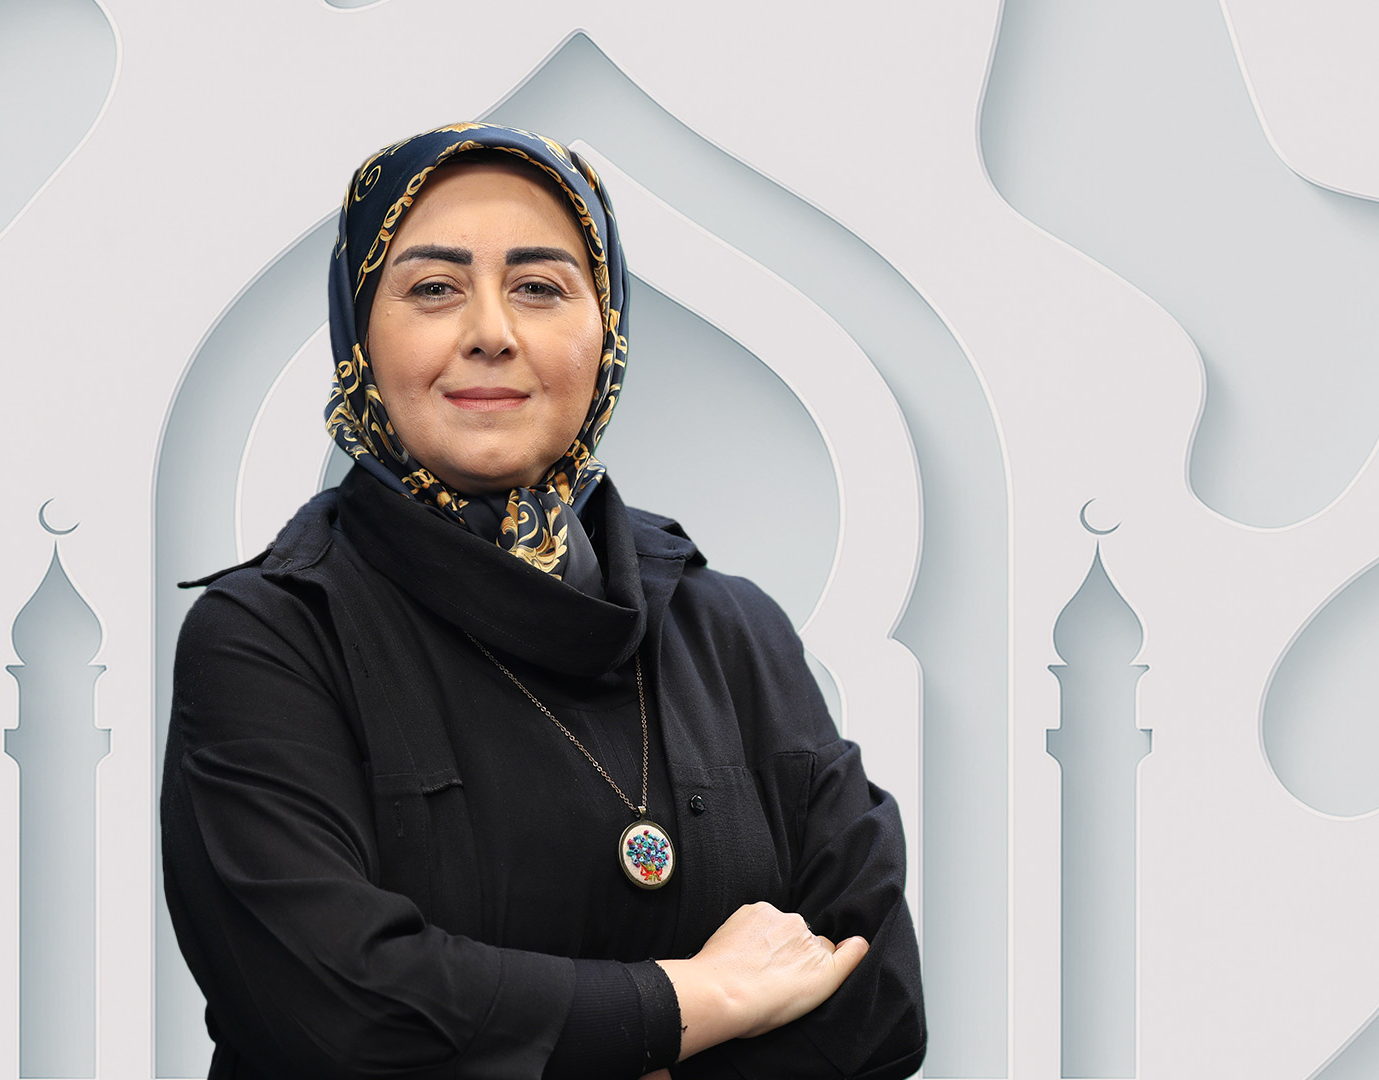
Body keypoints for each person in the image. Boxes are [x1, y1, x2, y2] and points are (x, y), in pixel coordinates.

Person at [161, 122, 925, 1079]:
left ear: (606, 329)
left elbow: (877, 1001)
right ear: (359, 332)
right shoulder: (273, 636)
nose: (491, 331)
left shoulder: (731, 630)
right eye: (433, 289)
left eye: (539, 287)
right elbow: (337, 1011)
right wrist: (702, 999)